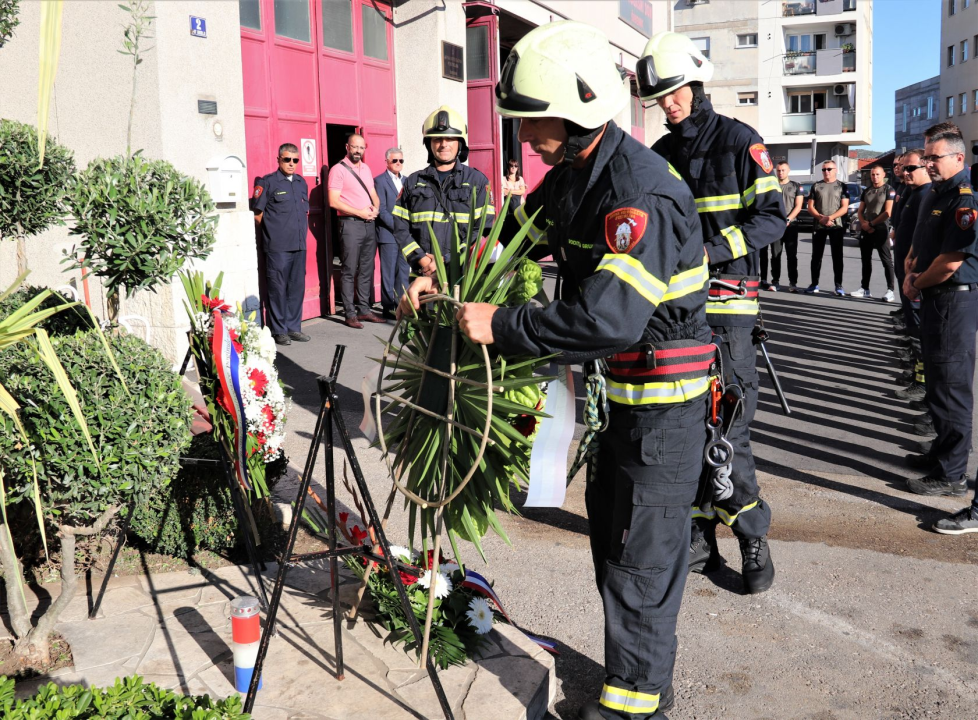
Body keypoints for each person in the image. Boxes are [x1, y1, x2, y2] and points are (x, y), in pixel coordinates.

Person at [402, 21, 711, 719]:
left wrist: (501, 324)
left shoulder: (640, 194)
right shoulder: (575, 174)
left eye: (534, 123)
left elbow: (608, 320)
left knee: (640, 561)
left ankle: (635, 705)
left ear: (579, 111)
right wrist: (443, 277)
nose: (526, 138)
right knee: (614, 544)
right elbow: (511, 240)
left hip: (665, 407)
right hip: (621, 402)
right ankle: (633, 676)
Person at [643, 30, 784, 594]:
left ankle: (752, 531)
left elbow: (773, 218)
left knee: (727, 427)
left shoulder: (739, 140)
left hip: (727, 308)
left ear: (695, 85)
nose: (669, 105)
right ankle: (701, 536)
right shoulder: (656, 157)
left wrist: (712, 251)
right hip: (674, 313)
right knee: (680, 425)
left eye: (675, 92)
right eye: (660, 99)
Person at [901, 121, 978, 537]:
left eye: (935, 157)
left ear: (958, 158)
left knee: (952, 387)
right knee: (935, 382)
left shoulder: (964, 199)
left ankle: (951, 475)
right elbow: (920, 242)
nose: (928, 163)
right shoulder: (937, 192)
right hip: (934, 297)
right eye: (926, 156)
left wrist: (915, 280)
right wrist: (911, 265)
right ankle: (940, 457)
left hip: (953, 299)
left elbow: (950, 261)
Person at [393, 105, 494, 277]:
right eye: (437, 139)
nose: (443, 144)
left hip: (463, 275)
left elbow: (484, 229)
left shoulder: (477, 181)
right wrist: (422, 259)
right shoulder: (413, 182)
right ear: (429, 144)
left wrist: (448, 259)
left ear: (460, 142)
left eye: (450, 138)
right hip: (423, 273)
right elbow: (399, 227)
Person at [252, 143, 311, 346]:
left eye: (295, 160)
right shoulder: (268, 182)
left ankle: (294, 327)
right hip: (277, 246)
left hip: (299, 245)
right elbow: (257, 214)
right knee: (277, 288)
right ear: (279, 160)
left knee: (296, 287)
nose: (291, 164)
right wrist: (272, 233)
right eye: (287, 159)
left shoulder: (301, 183)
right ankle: (279, 330)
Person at [327, 134, 384, 329]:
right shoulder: (338, 170)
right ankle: (350, 314)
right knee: (349, 269)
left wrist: (376, 208)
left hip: (369, 224)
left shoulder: (366, 169)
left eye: (361, 148)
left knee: (367, 268)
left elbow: (373, 194)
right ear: (347, 147)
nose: (358, 151)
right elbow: (333, 201)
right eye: (354, 147)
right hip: (350, 224)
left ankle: (365, 310)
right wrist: (359, 212)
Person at [891, 151, 931, 403]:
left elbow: (924, 236)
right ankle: (917, 374)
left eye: (910, 168)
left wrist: (914, 267)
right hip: (906, 268)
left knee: (920, 332)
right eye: (903, 169)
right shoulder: (913, 192)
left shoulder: (926, 194)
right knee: (914, 328)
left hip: (915, 274)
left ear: (925, 167)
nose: (905, 173)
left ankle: (921, 381)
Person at [374, 147, 411, 320]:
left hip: (405, 235)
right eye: (394, 160)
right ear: (387, 162)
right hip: (388, 234)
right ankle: (388, 307)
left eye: (401, 161)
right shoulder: (379, 181)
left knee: (403, 271)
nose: (398, 164)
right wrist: (398, 227)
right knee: (388, 272)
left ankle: (401, 305)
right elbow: (381, 210)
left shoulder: (408, 181)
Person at [851, 165, 896, 301]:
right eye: (872, 175)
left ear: (883, 175)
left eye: (877, 174)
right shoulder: (867, 191)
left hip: (881, 229)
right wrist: (864, 223)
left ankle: (890, 290)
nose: (875, 177)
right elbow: (860, 210)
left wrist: (871, 224)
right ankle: (865, 288)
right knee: (866, 260)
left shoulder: (889, 190)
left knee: (886, 260)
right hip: (866, 229)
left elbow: (888, 212)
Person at [806, 161, 850, 296]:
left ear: (835, 170)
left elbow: (844, 207)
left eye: (829, 169)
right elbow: (810, 207)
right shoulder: (816, 186)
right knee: (816, 257)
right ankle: (814, 284)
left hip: (835, 226)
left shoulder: (842, 186)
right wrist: (821, 219)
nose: (826, 172)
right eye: (824, 169)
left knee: (837, 257)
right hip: (819, 226)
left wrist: (830, 218)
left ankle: (838, 285)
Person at [760, 161, 804, 292]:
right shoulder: (771, 186)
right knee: (775, 255)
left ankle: (793, 283)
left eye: (783, 170)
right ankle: (775, 282)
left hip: (791, 226)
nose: (780, 173)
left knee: (792, 255)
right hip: (775, 226)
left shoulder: (796, 186)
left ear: (788, 170)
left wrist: (788, 219)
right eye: (778, 170)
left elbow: (798, 206)